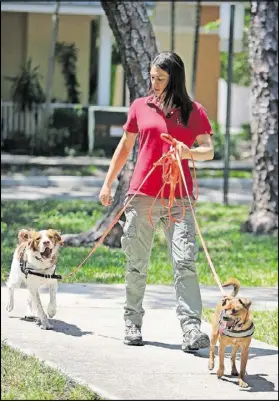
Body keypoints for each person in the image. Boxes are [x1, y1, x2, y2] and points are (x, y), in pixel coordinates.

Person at [99, 51, 214, 352]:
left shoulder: (194, 111)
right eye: (152, 77)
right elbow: (125, 147)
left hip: (180, 199)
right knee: (137, 263)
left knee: (185, 261)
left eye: (160, 79)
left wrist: (187, 152)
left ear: (175, 79)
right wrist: (107, 182)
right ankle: (132, 322)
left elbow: (208, 151)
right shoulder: (140, 106)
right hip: (143, 197)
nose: (154, 83)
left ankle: (191, 330)